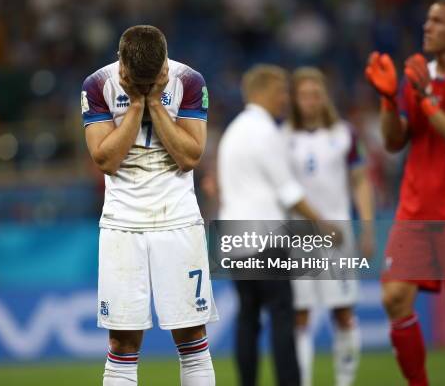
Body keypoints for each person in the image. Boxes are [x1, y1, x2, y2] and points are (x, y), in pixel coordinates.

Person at [82, 25, 218, 386]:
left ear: (164, 67)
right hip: (121, 224)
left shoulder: (189, 80)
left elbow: (190, 157)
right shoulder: (97, 84)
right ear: (120, 62)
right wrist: (138, 105)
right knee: (122, 341)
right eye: (134, 79)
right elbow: (106, 160)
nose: (142, 84)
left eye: (153, 79)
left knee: (192, 338)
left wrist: (155, 103)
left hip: (179, 220)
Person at [365, 0, 445, 385]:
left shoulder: (429, 85)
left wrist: (427, 100)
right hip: (416, 207)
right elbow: (393, 142)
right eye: (426, 19)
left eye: (437, 21)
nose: (427, 26)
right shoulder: (418, 75)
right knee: (394, 297)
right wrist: (390, 100)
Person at [217, 64, 331, 386]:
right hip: (265, 236)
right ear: (264, 91)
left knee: (248, 318)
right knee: (282, 316)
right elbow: (288, 190)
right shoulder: (265, 131)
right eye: (282, 91)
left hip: (233, 236)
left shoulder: (233, 131)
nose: (286, 98)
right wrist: (323, 223)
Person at [284, 67, 375, 386]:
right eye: (304, 95)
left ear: (325, 98)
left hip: (338, 234)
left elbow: (360, 181)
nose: (310, 101)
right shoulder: (283, 137)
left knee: (343, 313)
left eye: (316, 94)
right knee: (300, 316)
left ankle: (345, 382)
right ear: (295, 99)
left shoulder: (344, 134)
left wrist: (366, 228)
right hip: (297, 237)